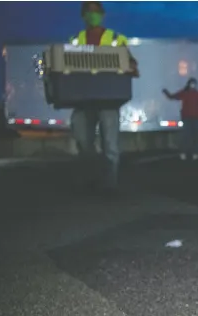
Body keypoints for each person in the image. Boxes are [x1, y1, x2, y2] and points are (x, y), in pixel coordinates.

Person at [69, 1, 139, 193]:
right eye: (89, 11)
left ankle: (110, 185)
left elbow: (132, 65)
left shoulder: (116, 38)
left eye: (96, 11)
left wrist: (131, 67)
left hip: (109, 99)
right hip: (82, 99)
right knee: (83, 141)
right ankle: (90, 179)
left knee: (110, 144)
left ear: (103, 14)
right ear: (83, 15)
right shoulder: (75, 40)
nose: (93, 15)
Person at [163, 78, 198, 161]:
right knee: (188, 136)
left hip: (194, 119)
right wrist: (167, 93)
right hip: (188, 119)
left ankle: (193, 153)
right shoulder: (187, 93)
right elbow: (172, 97)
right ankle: (187, 153)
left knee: (193, 136)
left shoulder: (197, 95)